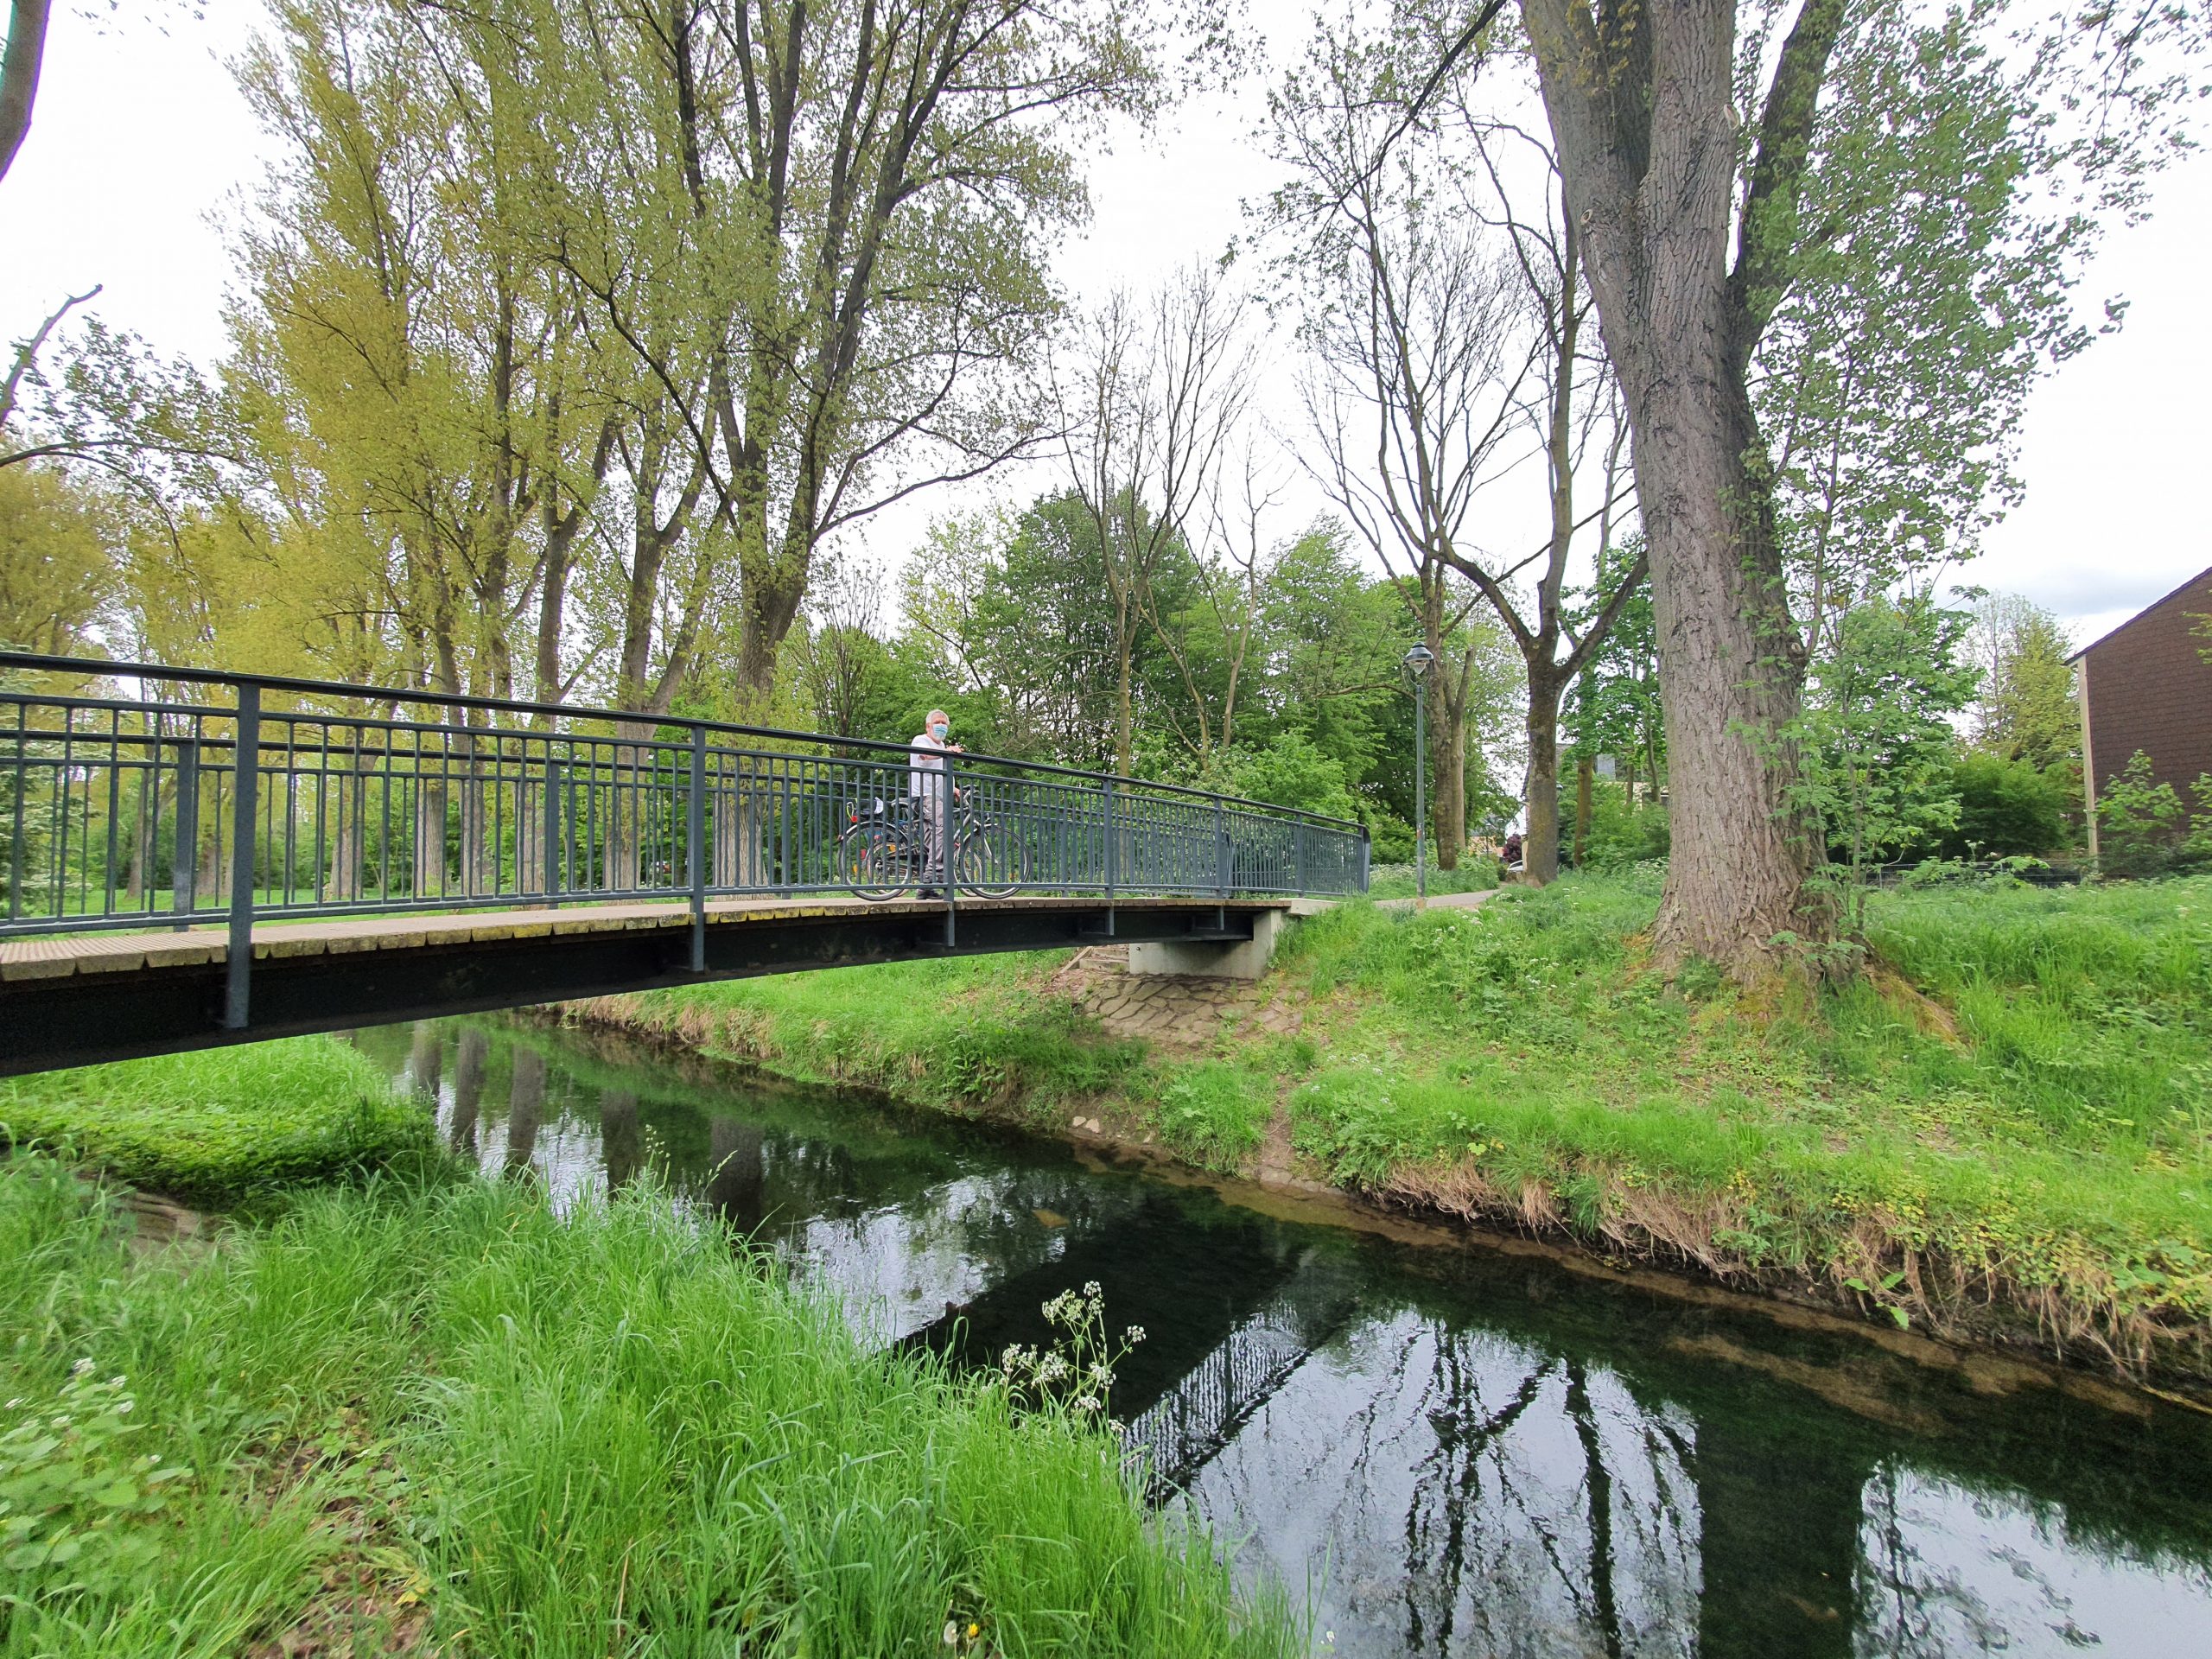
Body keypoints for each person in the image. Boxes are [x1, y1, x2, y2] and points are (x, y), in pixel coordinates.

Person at [908, 709, 963, 898]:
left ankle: (926, 888)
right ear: (928, 726)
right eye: (938, 722)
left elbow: (941, 773)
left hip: (936, 798)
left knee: (934, 842)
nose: (941, 726)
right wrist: (946, 752)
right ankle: (936, 874)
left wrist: (954, 789)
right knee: (944, 826)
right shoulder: (921, 740)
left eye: (944, 724)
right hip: (925, 797)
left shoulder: (942, 746)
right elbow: (924, 756)